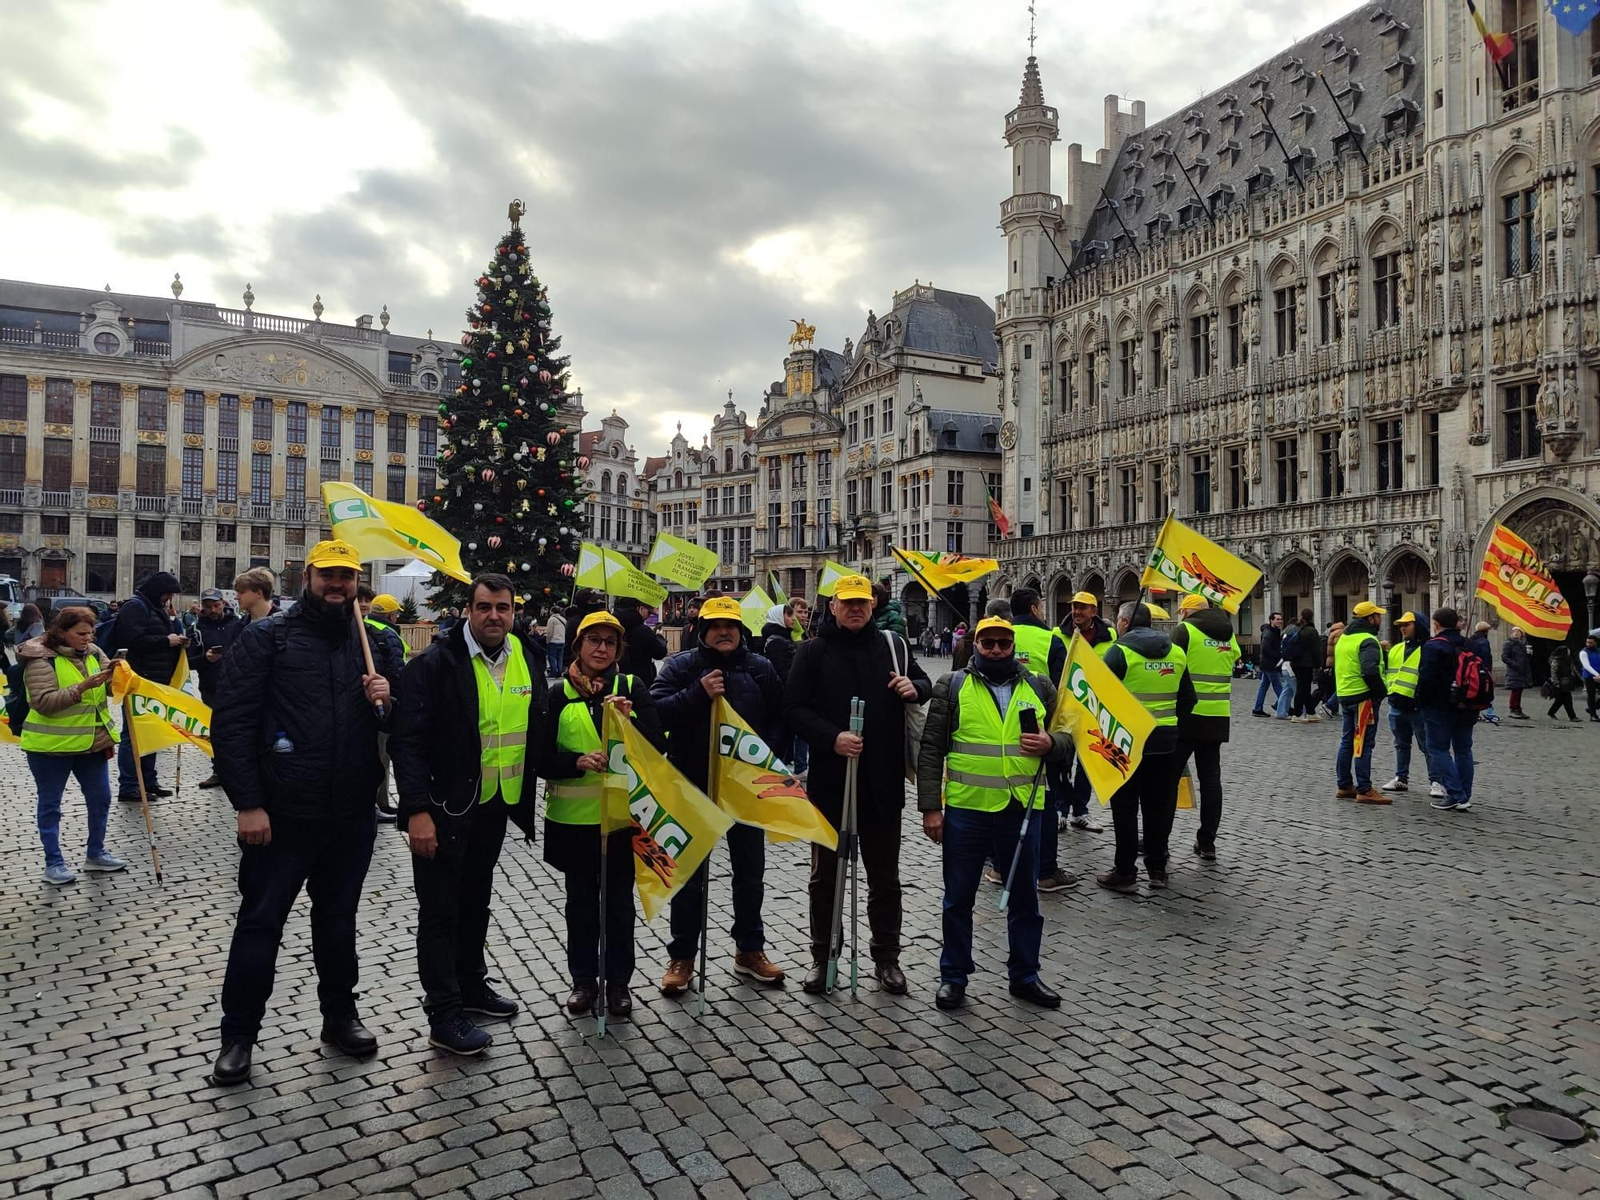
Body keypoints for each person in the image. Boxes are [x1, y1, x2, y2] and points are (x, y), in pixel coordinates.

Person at [209, 539, 401, 1086]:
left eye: (347, 577)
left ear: (357, 582)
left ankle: (340, 1017)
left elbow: (397, 721)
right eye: (328, 576)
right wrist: (247, 803)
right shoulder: (268, 637)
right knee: (260, 924)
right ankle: (238, 1036)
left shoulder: (375, 643)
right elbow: (232, 723)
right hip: (283, 812)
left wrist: (387, 697)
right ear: (308, 577)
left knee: (337, 923)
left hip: (348, 814)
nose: (337, 585)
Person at [390, 573, 542, 1057]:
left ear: (514, 611)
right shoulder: (435, 664)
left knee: (476, 901)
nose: (494, 616)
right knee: (440, 912)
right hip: (443, 809)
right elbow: (406, 743)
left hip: (495, 805)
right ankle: (444, 1012)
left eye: (503, 607)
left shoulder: (526, 656)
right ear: (468, 611)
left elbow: (535, 725)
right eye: (484, 607)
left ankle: (472, 986)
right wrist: (416, 811)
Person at [786, 574, 930, 995]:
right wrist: (832, 737)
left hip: (882, 785)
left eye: (862, 603)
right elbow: (793, 709)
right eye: (847, 602)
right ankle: (822, 954)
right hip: (831, 785)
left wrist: (912, 686)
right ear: (832, 605)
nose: (855, 609)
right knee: (824, 879)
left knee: (885, 879)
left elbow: (924, 684)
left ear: (871, 605)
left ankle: (887, 957)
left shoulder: (893, 647)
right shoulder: (812, 652)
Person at [917, 617, 1069, 1010]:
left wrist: (1051, 743)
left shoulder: (1040, 686)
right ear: (976, 645)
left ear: (1013, 646)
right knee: (958, 899)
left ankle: (1025, 975)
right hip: (967, 808)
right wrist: (931, 807)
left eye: (1003, 643)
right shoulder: (951, 687)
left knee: (1025, 900)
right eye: (989, 643)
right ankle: (954, 977)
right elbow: (931, 749)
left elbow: (1071, 738)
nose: (996, 650)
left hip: (1023, 809)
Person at [651, 595, 787, 994]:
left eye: (730, 626)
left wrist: (769, 758)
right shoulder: (681, 666)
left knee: (750, 874)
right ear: (703, 631)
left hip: (745, 789)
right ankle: (683, 957)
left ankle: (750, 950)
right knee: (689, 876)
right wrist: (697, 692)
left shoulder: (759, 668)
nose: (723, 632)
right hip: (692, 783)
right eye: (715, 626)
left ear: (740, 630)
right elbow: (657, 712)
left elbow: (781, 717)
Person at [537, 610, 662, 1019]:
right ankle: (584, 981)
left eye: (609, 642)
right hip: (574, 824)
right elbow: (540, 758)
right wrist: (575, 762)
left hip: (622, 822)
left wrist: (630, 722)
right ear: (578, 645)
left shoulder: (632, 687)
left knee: (619, 907)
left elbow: (656, 748)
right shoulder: (558, 695)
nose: (601, 648)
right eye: (594, 640)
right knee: (581, 905)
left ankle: (619, 982)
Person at [19, 606, 127, 885]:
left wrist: (120, 677)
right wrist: (82, 688)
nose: (87, 638)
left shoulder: (94, 652)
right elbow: (43, 703)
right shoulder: (41, 659)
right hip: (50, 748)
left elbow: (109, 687)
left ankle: (96, 853)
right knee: (51, 805)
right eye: (80, 633)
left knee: (101, 799)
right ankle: (53, 862)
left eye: (91, 633)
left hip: (91, 744)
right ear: (62, 632)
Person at [1096, 602, 1195, 892]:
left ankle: (1125, 871)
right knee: (1159, 807)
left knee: (1125, 808)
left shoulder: (1119, 651)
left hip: (1127, 744)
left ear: (1124, 622)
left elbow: (1100, 695)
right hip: (1166, 743)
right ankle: (1157, 868)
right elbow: (1188, 699)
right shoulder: (1176, 652)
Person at [1006, 587, 1073, 892]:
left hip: (998, 726)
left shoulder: (998, 634)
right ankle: (1045, 871)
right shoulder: (1051, 640)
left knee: (1005, 795)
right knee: (1044, 796)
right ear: (1034, 609)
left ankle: (999, 867)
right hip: (1040, 728)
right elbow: (1062, 691)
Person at [1171, 594, 1239, 862]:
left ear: (1187, 612)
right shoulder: (1227, 632)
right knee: (1211, 780)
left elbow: (1172, 665)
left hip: (1187, 715)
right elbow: (1234, 657)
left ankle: (1158, 840)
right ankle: (1207, 842)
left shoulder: (1184, 631)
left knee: (1168, 781)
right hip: (1217, 715)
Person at [111, 571, 185, 804]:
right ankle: (131, 785)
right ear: (157, 591)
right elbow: (131, 642)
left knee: (150, 732)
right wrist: (166, 641)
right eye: (167, 595)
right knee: (132, 735)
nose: (168, 600)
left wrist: (176, 639)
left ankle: (148, 781)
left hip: (155, 681)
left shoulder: (155, 608)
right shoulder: (136, 607)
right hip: (138, 679)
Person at [1061, 590, 1116, 832]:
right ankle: (1060, 810)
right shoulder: (1059, 634)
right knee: (1063, 763)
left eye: (1082, 607)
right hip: (1067, 709)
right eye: (1074, 606)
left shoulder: (1109, 636)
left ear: (1094, 611)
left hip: (1095, 710)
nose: (1077, 611)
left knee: (1087, 765)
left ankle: (1080, 811)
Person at [1416, 608, 1477, 812]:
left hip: (1439, 706)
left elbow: (1426, 679)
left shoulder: (1433, 646)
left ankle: (1456, 795)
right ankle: (1464, 794)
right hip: (1467, 704)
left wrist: (1421, 702)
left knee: (1438, 749)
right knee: (1463, 750)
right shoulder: (1470, 643)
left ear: (1436, 624)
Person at [357, 587, 409, 822]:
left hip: (365, 702)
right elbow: (397, 671)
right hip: (384, 704)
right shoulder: (389, 634)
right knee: (382, 756)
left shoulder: (364, 627)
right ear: (392, 616)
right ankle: (381, 804)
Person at [1334, 601, 1388, 804]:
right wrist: (1381, 692)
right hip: (1363, 697)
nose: (1380, 620)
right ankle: (1364, 788)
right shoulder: (1367, 640)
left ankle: (1344, 784)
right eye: (1377, 616)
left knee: (1347, 740)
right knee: (1364, 743)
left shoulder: (1344, 638)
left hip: (1345, 694)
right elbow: (1370, 670)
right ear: (1370, 619)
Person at [190, 588, 242, 790]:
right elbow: (188, 662)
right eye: (208, 606)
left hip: (238, 685)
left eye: (216, 605)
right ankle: (218, 770)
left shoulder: (237, 624)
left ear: (223, 604)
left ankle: (238, 771)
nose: (213, 610)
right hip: (211, 687)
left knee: (238, 729)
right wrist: (205, 658)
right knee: (216, 731)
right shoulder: (196, 629)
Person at [1380, 612, 1436, 798]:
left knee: (1428, 746)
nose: (1402, 628)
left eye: (1407, 624)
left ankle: (1436, 781)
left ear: (1418, 625)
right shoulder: (1396, 648)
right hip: (1396, 705)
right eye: (1401, 625)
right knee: (1401, 745)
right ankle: (1401, 778)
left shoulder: (1428, 648)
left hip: (1418, 707)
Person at [761, 602, 806, 775]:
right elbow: (783, 671)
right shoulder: (776, 642)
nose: (792, 619)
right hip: (784, 695)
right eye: (788, 615)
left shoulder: (783, 638)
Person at [615, 596, 669, 688]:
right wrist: (659, 637)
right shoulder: (643, 631)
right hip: (641, 682)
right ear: (640, 609)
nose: (649, 616)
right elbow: (660, 652)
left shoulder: (613, 627)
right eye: (648, 613)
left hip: (617, 680)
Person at [1286, 610, 1323, 722]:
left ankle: (1311, 712)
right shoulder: (1311, 631)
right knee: (1302, 689)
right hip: (1306, 664)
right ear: (1312, 617)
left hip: (1295, 662)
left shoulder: (1296, 629)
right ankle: (1297, 714)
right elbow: (1316, 650)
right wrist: (1319, 664)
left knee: (1305, 688)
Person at [1252, 613, 1285, 716]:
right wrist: (1278, 656)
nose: (1280, 621)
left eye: (1281, 619)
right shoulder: (1268, 633)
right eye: (1277, 619)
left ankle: (1258, 708)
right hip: (1270, 664)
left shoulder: (1274, 631)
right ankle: (1285, 706)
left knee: (1264, 686)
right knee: (1278, 686)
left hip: (1268, 663)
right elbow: (1266, 649)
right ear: (1271, 620)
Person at [1468, 622, 1501, 725]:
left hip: (1473, 669)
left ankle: (1476, 713)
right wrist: (1488, 672)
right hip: (1482, 670)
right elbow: (1485, 657)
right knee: (1486, 691)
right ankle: (1490, 714)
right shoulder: (1483, 641)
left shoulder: (1472, 639)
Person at [1501, 626, 1531, 719]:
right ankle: (1513, 709)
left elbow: (1525, 658)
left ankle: (1518, 709)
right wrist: (1515, 665)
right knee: (1515, 690)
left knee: (1519, 690)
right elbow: (1504, 657)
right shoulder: (1509, 643)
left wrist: (1529, 654)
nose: (1516, 633)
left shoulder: (1522, 644)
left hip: (1522, 670)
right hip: (1514, 670)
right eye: (1515, 631)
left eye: (1518, 632)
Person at [1547, 643, 1581, 722]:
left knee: (1560, 700)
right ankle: (1572, 716)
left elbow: (1573, 669)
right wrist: (1556, 682)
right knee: (1567, 700)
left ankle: (1551, 712)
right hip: (1560, 683)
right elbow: (1553, 672)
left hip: (1567, 682)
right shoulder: (1556, 660)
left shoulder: (1568, 659)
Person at [543, 606, 567, 677]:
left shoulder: (552, 620)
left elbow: (550, 632)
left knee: (552, 657)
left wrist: (548, 641)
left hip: (553, 641)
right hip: (562, 641)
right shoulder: (563, 619)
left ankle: (553, 672)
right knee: (559, 657)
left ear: (552, 611)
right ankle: (559, 671)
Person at [1581, 634, 1600, 721]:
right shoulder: (1583, 652)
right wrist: (1597, 675)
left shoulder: (1598, 651)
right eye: (1587, 642)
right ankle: (1593, 715)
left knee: (1593, 697)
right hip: (1589, 676)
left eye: (1591, 643)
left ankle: (1593, 707)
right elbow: (1586, 665)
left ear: (1595, 643)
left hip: (1599, 676)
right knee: (1591, 695)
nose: (1588, 644)